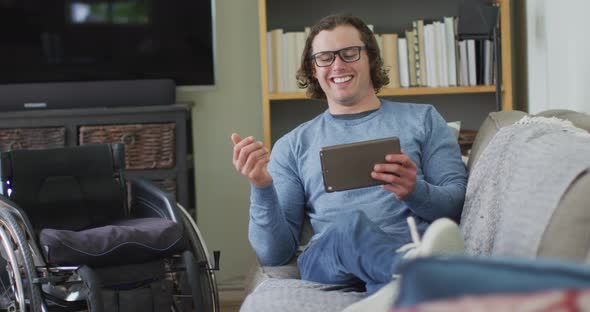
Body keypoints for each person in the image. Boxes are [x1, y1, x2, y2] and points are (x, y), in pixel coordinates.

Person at [231, 14, 467, 294]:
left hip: (409, 244)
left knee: (385, 281)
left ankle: (393, 285)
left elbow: (456, 204)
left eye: (349, 53)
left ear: (371, 58)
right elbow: (274, 254)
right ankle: (415, 277)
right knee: (348, 226)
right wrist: (261, 188)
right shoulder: (292, 145)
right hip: (330, 258)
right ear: (314, 69)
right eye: (325, 57)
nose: (338, 65)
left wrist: (414, 191)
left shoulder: (424, 119)